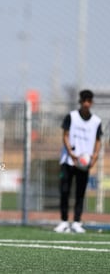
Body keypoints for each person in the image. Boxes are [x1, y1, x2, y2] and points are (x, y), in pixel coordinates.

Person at [54, 89, 102, 233]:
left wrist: (94, 157)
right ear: (80, 102)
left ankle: (76, 222)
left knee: (80, 193)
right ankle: (63, 221)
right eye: (84, 101)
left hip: (84, 164)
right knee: (64, 191)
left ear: (91, 103)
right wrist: (71, 153)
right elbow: (65, 135)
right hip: (68, 161)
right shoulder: (72, 117)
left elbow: (98, 141)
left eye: (89, 101)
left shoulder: (96, 121)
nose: (86, 104)